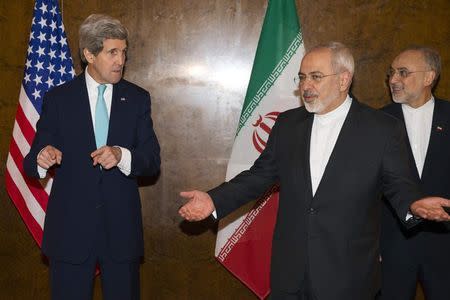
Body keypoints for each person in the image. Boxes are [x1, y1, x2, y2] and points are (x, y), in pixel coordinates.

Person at [178, 42, 450, 300]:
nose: (305, 86)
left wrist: (413, 204)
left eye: (316, 77)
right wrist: (214, 200)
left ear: (343, 80)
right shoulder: (287, 124)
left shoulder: (381, 128)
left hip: (347, 277)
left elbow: (397, 184)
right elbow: (258, 176)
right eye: (302, 77)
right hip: (290, 274)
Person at [23, 14, 160, 300]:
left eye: (123, 52)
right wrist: (42, 157)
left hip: (121, 234)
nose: (120, 60)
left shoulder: (137, 99)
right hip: (70, 233)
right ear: (89, 54)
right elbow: (32, 158)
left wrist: (122, 155)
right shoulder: (59, 99)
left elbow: (151, 160)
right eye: (112, 52)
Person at [380, 46, 450, 300]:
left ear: (429, 77)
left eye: (403, 72)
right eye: (391, 73)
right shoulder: (376, 123)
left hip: (445, 244)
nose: (393, 80)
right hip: (393, 246)